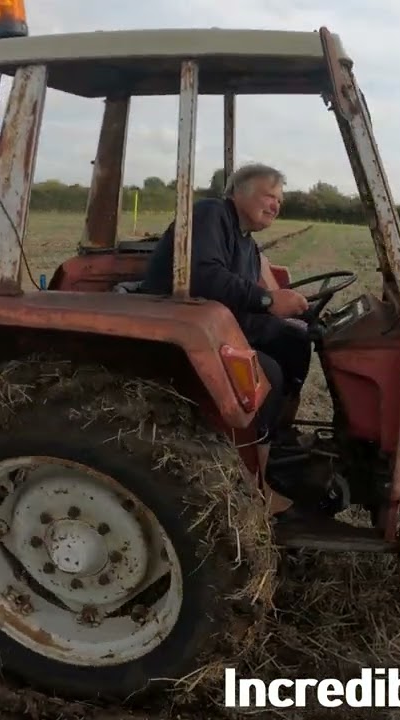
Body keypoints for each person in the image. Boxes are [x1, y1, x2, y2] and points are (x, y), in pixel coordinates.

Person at [139, 164, 312, 513]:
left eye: (280, 200)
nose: (276, 205)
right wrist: (267, 300)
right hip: (178, 323)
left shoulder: (246, 242)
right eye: (269, 195)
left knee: (296, 340)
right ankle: (255, 485)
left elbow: (241, 295)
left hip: (215, 324)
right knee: (268, 375)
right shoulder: (211, 214)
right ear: (239, 192)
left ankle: (277, 438)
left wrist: (287, 308)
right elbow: (203, 275)